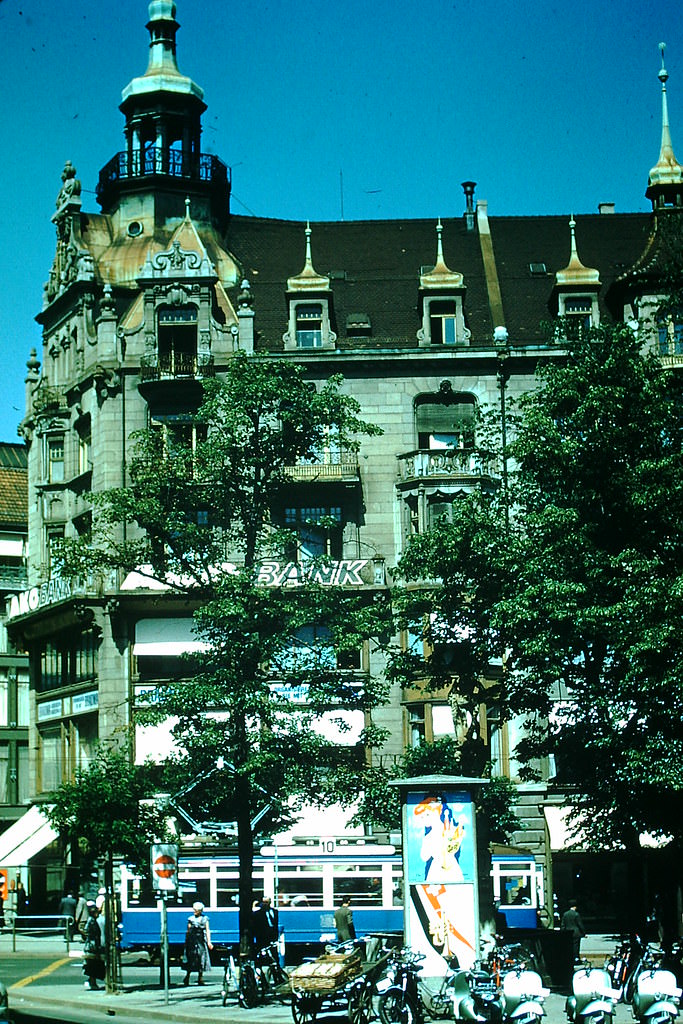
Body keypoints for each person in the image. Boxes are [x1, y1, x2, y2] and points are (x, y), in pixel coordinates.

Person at [183, 901, 213, 986]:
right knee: (191, 958)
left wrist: (209, 942)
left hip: (200, 941)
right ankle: (187, 977)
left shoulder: (205, 919)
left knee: (201, 958)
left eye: (196, 910)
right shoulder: (190, 919)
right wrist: (186, 941)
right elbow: (188, 931)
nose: (194, 911)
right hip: (192, 941)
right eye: (194, 909)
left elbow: (207, 930)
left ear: (200, 910)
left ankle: (200, 978)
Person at [82, 903, 105, 990]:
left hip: (93, 947)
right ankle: (94, 982)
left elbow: (86, 931)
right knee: (97, 964)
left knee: (92, 965)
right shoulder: (101, 919)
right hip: (98, 946)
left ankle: (92, 982)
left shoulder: (91, 920)